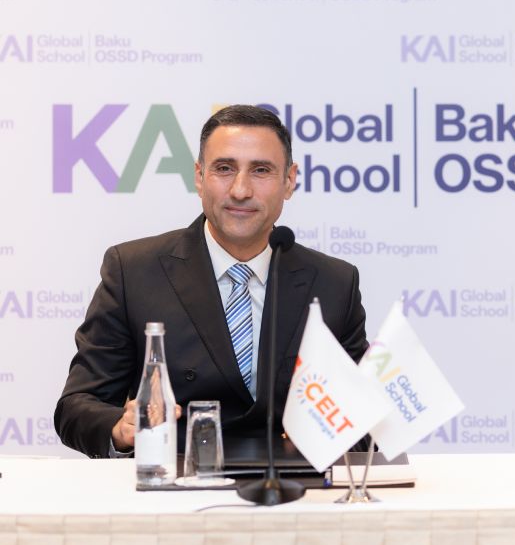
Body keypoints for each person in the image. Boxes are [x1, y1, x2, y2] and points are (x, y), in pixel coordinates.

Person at [54, 105, 368, 458]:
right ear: (199, 176)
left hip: (293, 483)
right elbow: (77, 406)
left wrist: (339, 434)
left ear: (289, 181)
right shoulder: (133, 271)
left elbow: (364, 424)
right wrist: (120, 427)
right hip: (177, 480)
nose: (240, 190)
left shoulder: (334, 283)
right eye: (224, 168)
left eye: (261, 170)